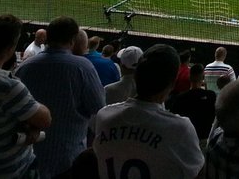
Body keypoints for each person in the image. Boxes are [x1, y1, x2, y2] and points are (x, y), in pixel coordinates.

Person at [92, 43, 204, 178]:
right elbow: (198, 173)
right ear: (172, 84)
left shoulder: (104, 116)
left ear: (136, 76)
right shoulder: (180, 129)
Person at [15, 15, 105, 179]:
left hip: (29, 157)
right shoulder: (83, 67)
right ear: (72, 40)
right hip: (68, 157)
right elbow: (98, 107)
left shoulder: (25, 66)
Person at [0, 13, 52, 179]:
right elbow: (45, 119)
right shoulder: (9, 87)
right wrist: (30, 126)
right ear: (11, 47)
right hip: (8, 172)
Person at [168, 63, 218, 143]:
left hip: (185, 138)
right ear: (203, 77)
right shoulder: (211, 96)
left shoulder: (180, 98)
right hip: (204, 138)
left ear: (190, 77)